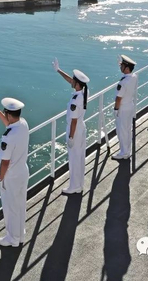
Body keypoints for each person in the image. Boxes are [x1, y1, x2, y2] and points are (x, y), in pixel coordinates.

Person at [0, 96, 29, 247]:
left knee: (10, 208)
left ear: (9, 114)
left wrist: (0, 179)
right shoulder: (23, 124)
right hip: (22, 172)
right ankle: (20, 235)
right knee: (20, 205)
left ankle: (12, 238)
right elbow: (9, 124)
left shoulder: (7, 138)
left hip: (11, 177)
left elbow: (5, 162)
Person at [52, 58, 90, 194]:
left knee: (74, 159)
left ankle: (74, 187)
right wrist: (59, 70)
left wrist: (71, 137)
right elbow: (70, 81)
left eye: (73, 80)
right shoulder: (84, 92)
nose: (71, 81)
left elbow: (73, 120)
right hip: (81, 127)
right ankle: (79, 184)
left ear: (77, 84)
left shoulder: (75, 100)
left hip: (75, 129)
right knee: (80, 157)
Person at [112, 55, 138, 160]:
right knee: (127, 130)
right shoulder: (134, 76)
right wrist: (122, 63)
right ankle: (127, 150)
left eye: (122, 66)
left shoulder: (123, 82)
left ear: (127, 68)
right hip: (130, 105)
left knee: (121, 132)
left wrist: (116, 109)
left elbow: (118, 98)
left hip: (122, 109)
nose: (120, 67)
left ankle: (124, 153)